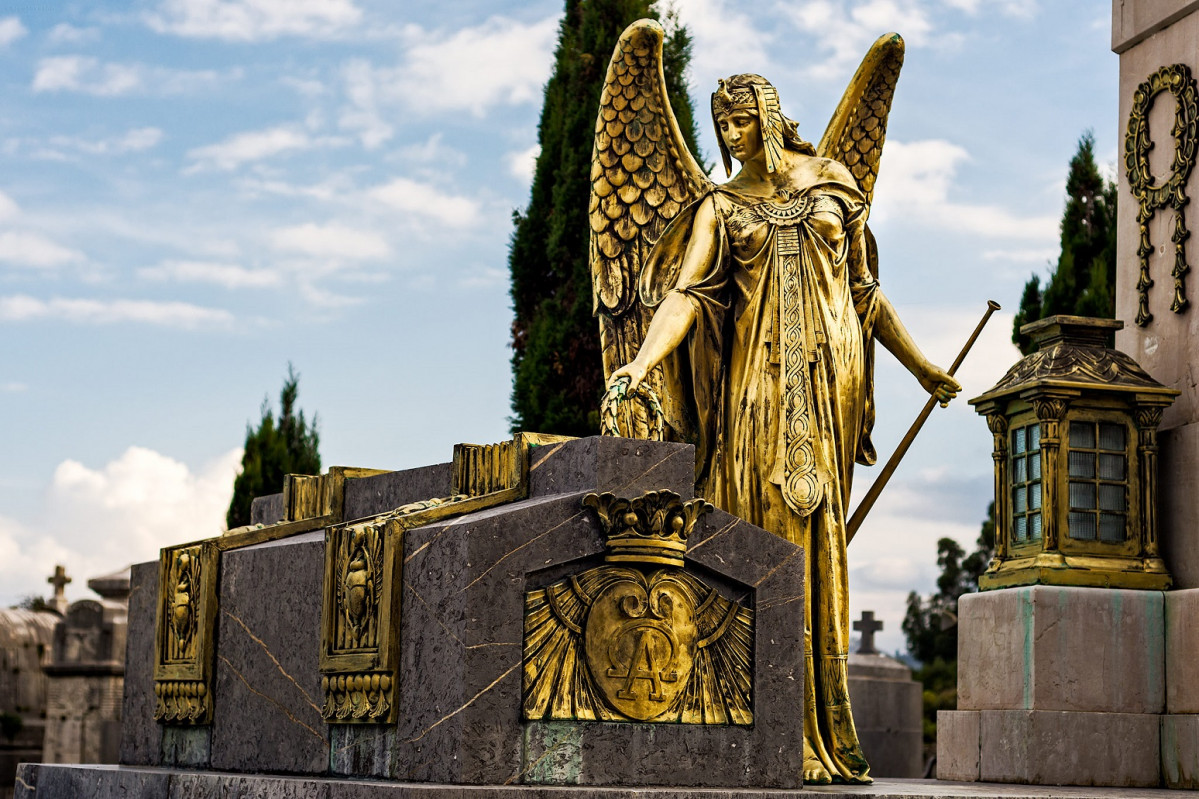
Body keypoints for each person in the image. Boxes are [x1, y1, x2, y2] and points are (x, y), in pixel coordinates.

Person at [609, 73, 959, 784]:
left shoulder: (833, 184)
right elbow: (684, 293)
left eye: (738, 121)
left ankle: (820, 730)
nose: (729, 136)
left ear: (766, 116)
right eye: (721, 126)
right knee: (760, 526)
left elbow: (864, 293)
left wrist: (921, 367)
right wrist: (642, 364)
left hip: (827, 389)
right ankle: (759, 722)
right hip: (753, 394)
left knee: (817, 538)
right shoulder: (721, 205)